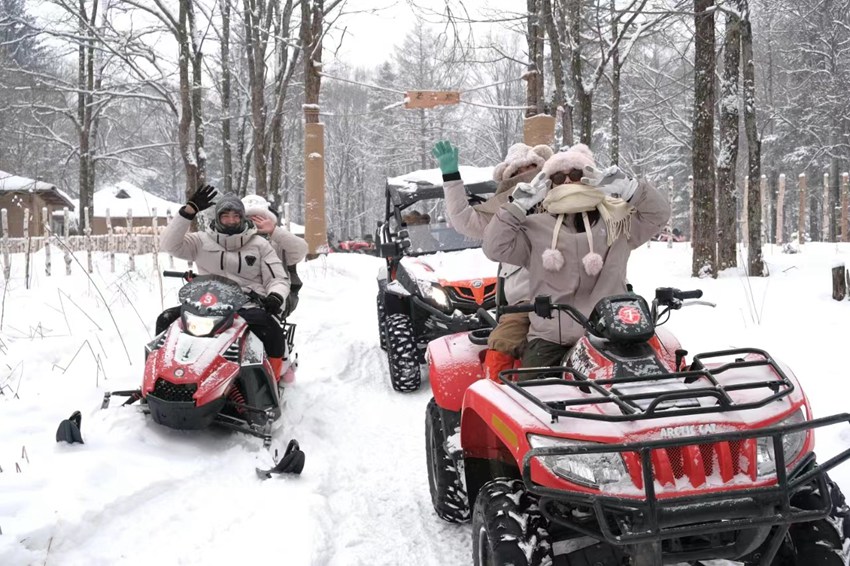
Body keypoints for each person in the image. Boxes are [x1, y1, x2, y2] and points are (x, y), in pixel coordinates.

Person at [481, 143, 671, 374]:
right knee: (534, 397)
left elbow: (659, 214)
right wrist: (516, 207)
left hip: (611, 335)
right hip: (551, 339)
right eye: (559, 177)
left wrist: (631, 189)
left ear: (589, 177)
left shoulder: (618, 222)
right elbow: (494, 248)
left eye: (576, 174)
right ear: (549, 185)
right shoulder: (534, 228)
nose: (568, 181)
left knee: (649, 382)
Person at [431, 139, 554, 381]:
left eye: (530, 167)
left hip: (571, 291)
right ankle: (496, 398)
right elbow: (463, 219)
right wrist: (451, 177)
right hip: (524, 300)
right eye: (517, 171)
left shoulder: (561, 195)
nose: (525, 174)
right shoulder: (500, 211)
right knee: (503, 341)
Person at [157, 184, 292, 379]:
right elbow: (169, 244)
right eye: (225, 216)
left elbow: (278, 277)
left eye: (236, 216)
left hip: (246, 304)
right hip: (205, 303)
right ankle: (162, 375)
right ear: (218, 218)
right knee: (165, 320)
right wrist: (188, 212)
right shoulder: (200, 241)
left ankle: (272, 377)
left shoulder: (259, 245)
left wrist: (275, 297)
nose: (231, 220)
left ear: (242, 217)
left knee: (271, 330)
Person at [242, 194, 308, 316]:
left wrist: (274, 231)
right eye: (248, 218)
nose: (254, 222)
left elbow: (301, 249)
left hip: (272, 300)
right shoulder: (234, 241)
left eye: (259, 218)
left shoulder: (278, 243)